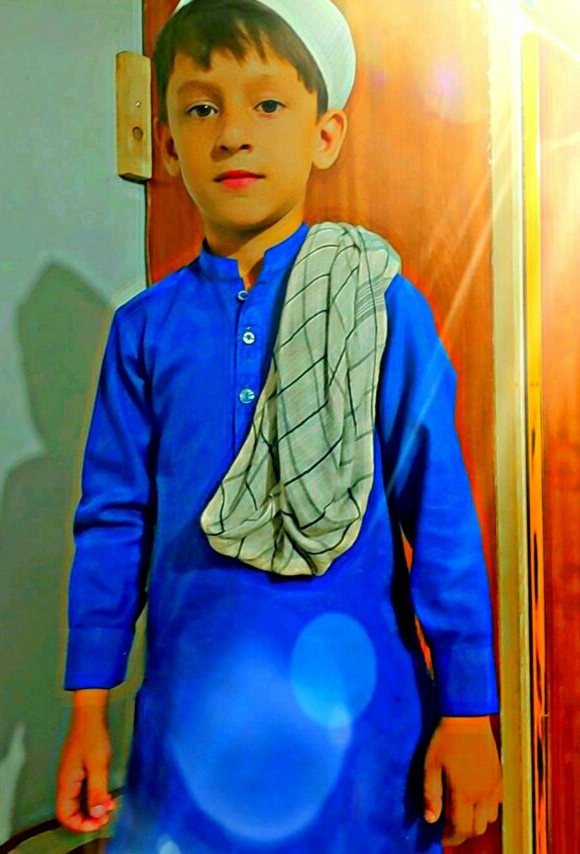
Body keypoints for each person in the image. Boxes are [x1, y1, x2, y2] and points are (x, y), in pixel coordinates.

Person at [55, 0, 503, 850]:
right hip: (189, 737)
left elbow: (440, 514)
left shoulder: (379, 308)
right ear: (167, 144)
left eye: (267, 104)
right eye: (201, 108)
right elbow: (112, 524)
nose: (233, 134)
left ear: (324, 135)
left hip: (362, 745)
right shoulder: (144, 332)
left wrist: (470, 710)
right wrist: (87, 709)